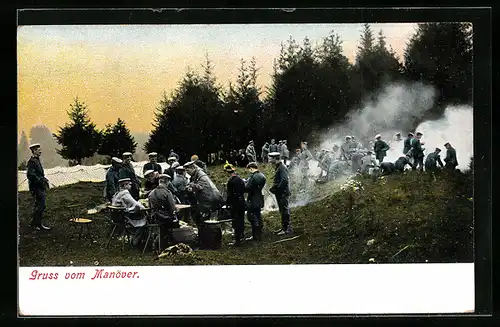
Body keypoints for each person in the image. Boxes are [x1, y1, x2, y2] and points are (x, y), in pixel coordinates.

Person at [184, 161, 225, 229]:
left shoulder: (201, 176)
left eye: (188, 170)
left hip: (209, 200)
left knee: (202, 219)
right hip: (205, 200)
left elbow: (201, 187)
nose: (187, 173)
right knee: (198, 217)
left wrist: (192, 186)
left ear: (193, 168)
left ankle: (206, 234)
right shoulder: (195, 175)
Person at [148, 174, 180, 247]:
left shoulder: (151, 193)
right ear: (167, 182)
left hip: (154, 218)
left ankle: (157, 242)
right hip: (164, 219)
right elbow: (173, 208)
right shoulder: (167, 192)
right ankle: (171, 243)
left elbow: (150, 207)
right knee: (176, 222)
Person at [26, 143, 51, 230]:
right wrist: (41, 180)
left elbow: (38, 173)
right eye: (38, 150)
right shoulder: (32, 161)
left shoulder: (37, 160)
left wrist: (44, 179)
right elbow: (30, 175)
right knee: (41, 205)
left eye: (40, 149)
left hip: (39, 186)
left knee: (39, 205)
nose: (40, 151)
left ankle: (35, 224)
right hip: (35, 187)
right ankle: (36, 224)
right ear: (34, 151)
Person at [269, 152, 292, 236]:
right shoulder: (279, 167)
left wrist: (276, 189)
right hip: (281, 193)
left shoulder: (282, 168)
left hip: (283, 193)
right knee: (282, 211)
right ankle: (284, 227)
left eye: (271, 158)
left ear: (276, 158)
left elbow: (284, 180)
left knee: (284, 211)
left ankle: (286, 229)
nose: (270, 160)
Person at [223, 162, 246, 246]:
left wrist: (227, 204)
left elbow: (230, 195)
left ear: (227, 172)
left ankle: (237, 240)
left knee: (236, 222)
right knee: (241, 220)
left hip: (235, 204)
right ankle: (242, 236)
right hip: (242, 202)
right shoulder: (239, 179)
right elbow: (243, 190)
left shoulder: (231, 182)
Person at [244, 162, 266, 242]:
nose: (249, 171)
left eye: (249, 170)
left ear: (251, 168)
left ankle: (255, 236)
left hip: (252, 199)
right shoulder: (262, 176)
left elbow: (246, 188)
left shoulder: (252, 177)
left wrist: (245, 183)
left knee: (251, 217)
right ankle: (259, 234)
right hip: (259, 198)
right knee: (258, 216)